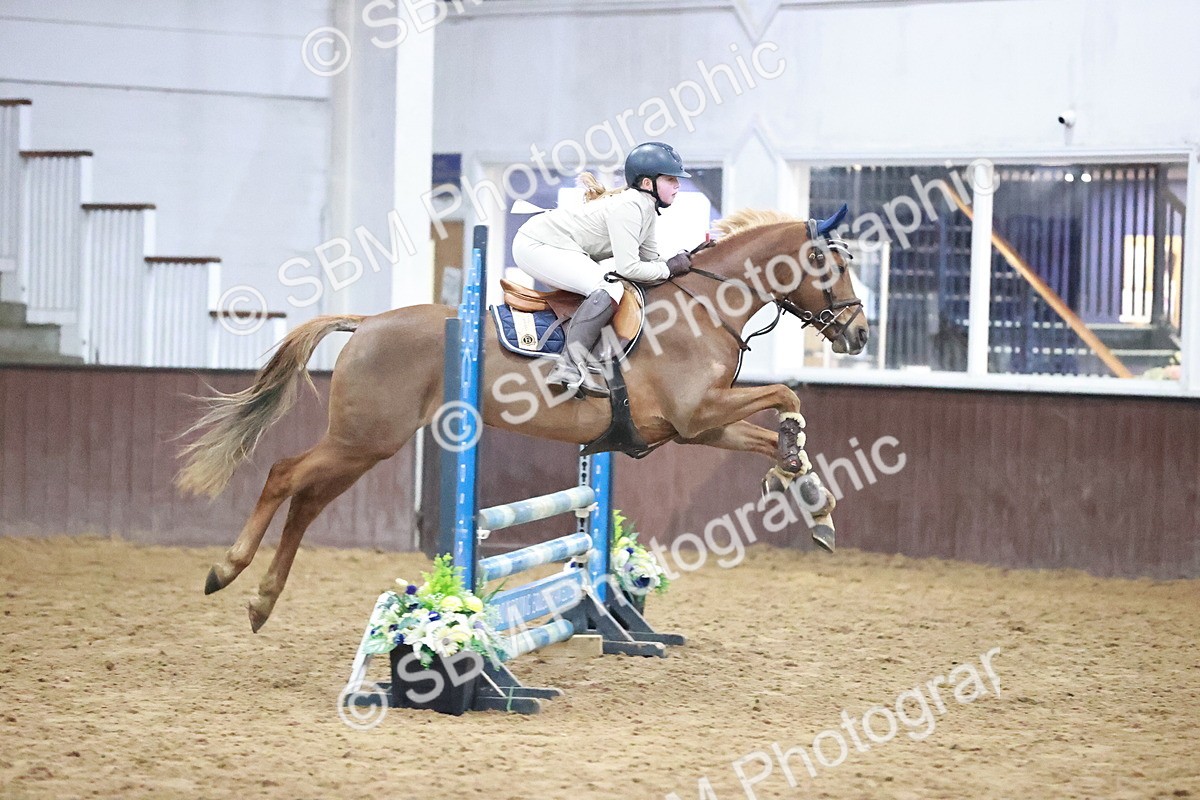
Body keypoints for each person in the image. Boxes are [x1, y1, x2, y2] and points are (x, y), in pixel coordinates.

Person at [512, 141, 694, 397]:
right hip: (537, 244)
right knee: (609, 287)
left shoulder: (646, 209)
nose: (677, 185)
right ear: (647, 183)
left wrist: (680, 262)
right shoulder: (630, 206)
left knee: (610, 285)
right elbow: (629, 268)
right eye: (670, 179)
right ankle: (568, 367)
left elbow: (651, 260)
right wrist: (669, 269)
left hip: (554, 244)